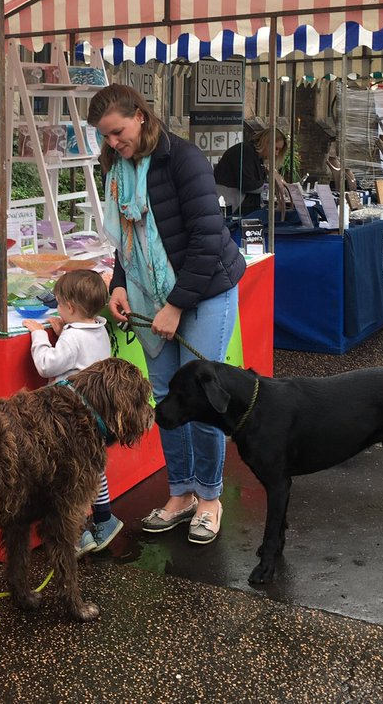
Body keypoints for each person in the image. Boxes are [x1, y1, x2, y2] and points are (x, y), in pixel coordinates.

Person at [89, 84, 246, 545]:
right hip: (149, 294)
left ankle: (211, 497)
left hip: (206, 290)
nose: (114, 143)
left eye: (118, 132)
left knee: (201, 397)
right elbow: (129, 241)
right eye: (106, 138)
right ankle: (181, 494)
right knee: (165, 398)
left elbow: (206, 240)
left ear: (139, 115)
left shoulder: (185, 159)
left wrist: (175, 306)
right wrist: (119, 284)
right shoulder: (118, 168)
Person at [22, 269, 120, 555]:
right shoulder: (98, 328)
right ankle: (104, 519)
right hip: (96, 416)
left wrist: (40, 337)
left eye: (58, 303)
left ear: (70, 308)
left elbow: (47, 365)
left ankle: (77, 533)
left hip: (71, 419)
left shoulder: (73, 337)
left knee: (69, 477)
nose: (56, 307)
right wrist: (63, 331)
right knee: (94, 470)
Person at [213, 126, 288, 216]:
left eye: (279, 150)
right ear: (266, 143)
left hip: (237, 205)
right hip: (232, 205)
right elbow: (248, 185)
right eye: (276, 149)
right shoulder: (246, 152)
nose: (276, 153)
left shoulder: (254, 155)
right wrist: (270, 185)